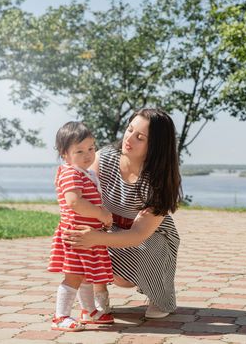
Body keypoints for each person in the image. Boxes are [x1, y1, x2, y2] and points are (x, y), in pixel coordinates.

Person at [63, 108, 182, 319]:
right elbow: (77, 190)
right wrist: (84, 233)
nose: (129, 139)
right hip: (108, 226)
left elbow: (138, 234)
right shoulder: (105, 158)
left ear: (155, 146)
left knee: (145, 249)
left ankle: (159, 296)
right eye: (129, 130)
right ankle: (97, 297)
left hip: (149, 237)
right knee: (79, 242)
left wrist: (97, 238)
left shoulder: (159, 180)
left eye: (140, 137)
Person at [48, 121, 114, 332]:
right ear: (64, 154)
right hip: (76, 234)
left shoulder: (86, 172)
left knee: (86, 274)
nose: (88, 154)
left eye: (91, 148)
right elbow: (74, 202)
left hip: (89, 235)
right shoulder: (71, 173)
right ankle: (60, 316)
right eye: (79, 151)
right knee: (74, 275)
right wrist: (101, 214)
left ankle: (89, 311)